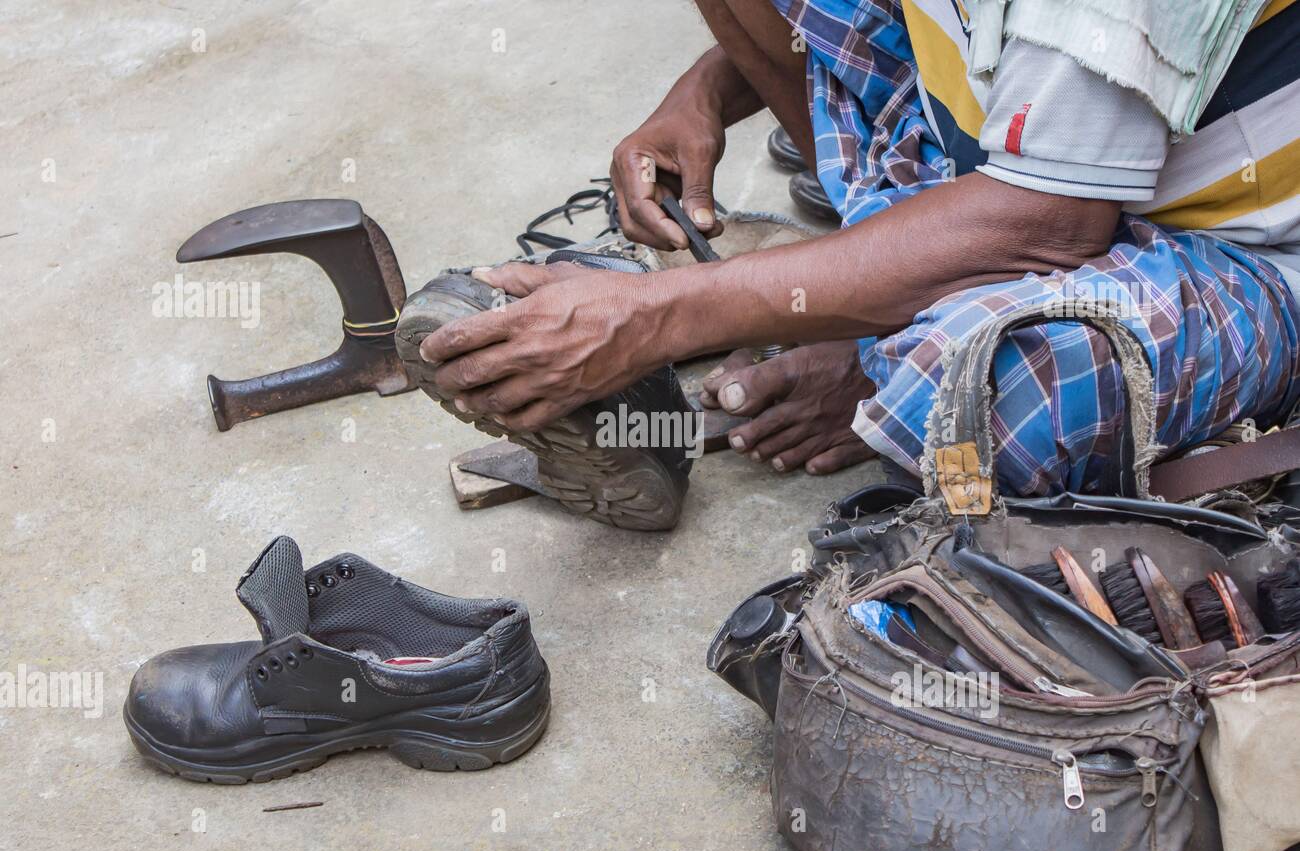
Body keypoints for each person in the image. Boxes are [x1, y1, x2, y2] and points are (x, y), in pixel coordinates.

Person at [413, 0, 1300, 496]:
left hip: (1230, 245)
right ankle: (876, 285)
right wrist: (705, 91)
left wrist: (655, 320)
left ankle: (881, 352)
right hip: (1033, 152)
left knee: (990, 381)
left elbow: (1047, 226)